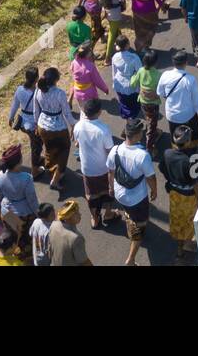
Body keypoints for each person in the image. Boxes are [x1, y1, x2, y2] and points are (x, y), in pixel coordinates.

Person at [106, 120, 157, 266]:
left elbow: (110, 172)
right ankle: (131, 259)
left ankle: (130, 218)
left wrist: (111, 188)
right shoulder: (142, 155)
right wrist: (154, 190)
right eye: (142, 131)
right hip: (137, 198)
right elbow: (151, 177)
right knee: (139, 227)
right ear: (137, 135)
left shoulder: (115, 150)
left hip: (119, 194)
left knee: (130, 212)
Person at [160, 125, 198, 261]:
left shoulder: (167, 153)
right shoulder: (195, 159)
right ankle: (188, 244)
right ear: (188, 142)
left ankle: (180, 248)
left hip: (174, 193)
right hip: (189, 196)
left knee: (178, 219)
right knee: (190, 221)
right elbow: (196, 184)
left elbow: (163, 169)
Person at [72, 97, 116, 229]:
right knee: (107, 192)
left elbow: (77, 143)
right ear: (99, 112)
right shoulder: (103, 129)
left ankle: (95, 218)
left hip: (87, 168)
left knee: (91, 195)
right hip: (103, 168)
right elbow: (110, 151)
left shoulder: (78, 126)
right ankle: (108, 213)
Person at [33, 66, 75, 190]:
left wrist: (36, 124)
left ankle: (51, 167)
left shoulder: (38, 89)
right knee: (64, 150)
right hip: (58, 127)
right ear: (56, 80)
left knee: (49, 149)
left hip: (42, 125)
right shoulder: (60, 93)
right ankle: (56, 179)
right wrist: (73, 125)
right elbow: (67, 113)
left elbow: (36, 109)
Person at [0, 143, 39, 253]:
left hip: (7, 212)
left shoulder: (0, 175)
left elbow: (0, 195)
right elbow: (32, 200)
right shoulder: (26, 178)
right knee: (26, 238)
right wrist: (38, 213)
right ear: (19, 162)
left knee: (13, 236)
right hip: (24, 214)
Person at [158, 50, 198, 148]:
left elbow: (160, 92)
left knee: (176, 137)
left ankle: (178, 152)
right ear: (186, 63)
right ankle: (191, 150)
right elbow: (196, 99)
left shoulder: (165, 75)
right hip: (188, 115)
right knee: (195, 135)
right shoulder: (190, 79)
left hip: (172, 115)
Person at [8, 66, 44, 178]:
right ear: (36, 78)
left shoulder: (20, 89)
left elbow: (15, 104)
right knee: (36, 147)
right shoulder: (38, 92)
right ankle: (35, 170)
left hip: (23, 123)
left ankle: (37, 159)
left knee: (35, 143)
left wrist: (11, 117)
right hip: (34, 125)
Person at [48, 199, 92, 267]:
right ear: (68, 218)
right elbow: (84, 262)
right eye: (76, 213)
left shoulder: (54, 225)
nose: (80, 214)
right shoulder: (76, 238)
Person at [110, 34, 143, 120]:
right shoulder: (134, 57)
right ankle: (132, 122)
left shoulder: (115, 57)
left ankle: (127, 120)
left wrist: (114, 82)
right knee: (133, 104)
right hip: (131, 84)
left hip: (119, 84)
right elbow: (140, 72)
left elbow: (114, 72)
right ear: (127, 44)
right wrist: (141, 87)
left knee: (123, 103)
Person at [70, 41, 108, 114]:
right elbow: (97, 80)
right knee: (91, 112)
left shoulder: (74, 62)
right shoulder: (90, 66)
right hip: (89, 93)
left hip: (77, 93)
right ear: (87, 54)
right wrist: (105, 89)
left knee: (83, 110)